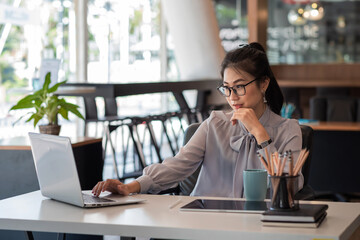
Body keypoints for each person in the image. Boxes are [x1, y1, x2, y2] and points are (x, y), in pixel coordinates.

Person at [92, 42, 303, 198]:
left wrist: (261, 136)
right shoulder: (215, 123)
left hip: (258, 225)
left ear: (264, 83)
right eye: (227, 88)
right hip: (204, 220)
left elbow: (289, 187)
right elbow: (177, 165)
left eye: (239, 86)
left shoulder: (288, 129)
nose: (232, 97)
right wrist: (130, 186)